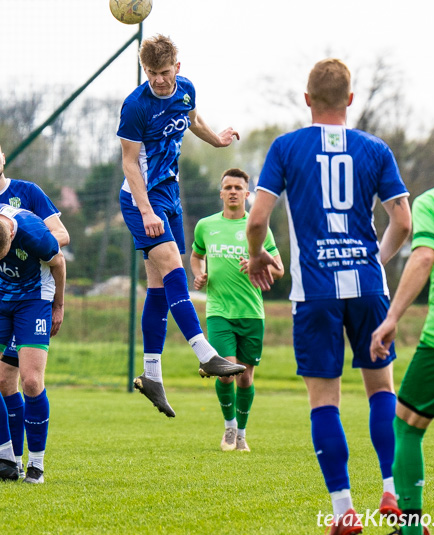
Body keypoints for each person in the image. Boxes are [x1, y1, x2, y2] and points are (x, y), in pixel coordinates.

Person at [245, 58, 412, 534]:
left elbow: (257, 221)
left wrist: (258, 256)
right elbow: (402, 222)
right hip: (367, 287)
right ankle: (391, 492)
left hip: (314, 291)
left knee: (325, 401)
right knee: (381, 390)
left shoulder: (285, 147)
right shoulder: (375, 149)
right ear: (351, 100)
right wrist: (376, 261)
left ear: (306, 100)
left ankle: (344, 512)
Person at [118, 33, 245, 418]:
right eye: (152, 72)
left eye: (165, 72)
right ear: (146, 70)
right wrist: (146, 211)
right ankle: (206, 355)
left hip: (171, 194)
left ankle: (152, 374)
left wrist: (217, 141)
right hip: (143, 199)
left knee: (158, 286)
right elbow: (128, 162)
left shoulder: (186, 89)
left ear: (178, 67)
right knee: (174, 267)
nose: (159, 79)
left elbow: (192, 120)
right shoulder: (135, 106)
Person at [0, 132, 70, 480]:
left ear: (2, 156)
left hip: (32, 297)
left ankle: (28, 462)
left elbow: (59, 239)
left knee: (19, 381)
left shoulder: (29, 194)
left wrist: (33, 238)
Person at [370, 128, 434, 535]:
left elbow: (423, 256)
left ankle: (410, 530)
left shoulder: (433, 203)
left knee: (406, 425)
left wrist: (391, 318)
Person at [190, 168, 283, 452]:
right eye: (227, 186)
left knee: (245, 377)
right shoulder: (206, 226)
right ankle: (229, 429)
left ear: (247, 194)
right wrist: (199, 274)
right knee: (226, 373)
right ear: (221, 193)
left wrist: (260, 263)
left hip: (252, 313)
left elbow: (278, 270)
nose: (232, 191)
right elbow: (196, 256)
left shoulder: (258, 228)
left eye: (237, 187)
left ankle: (242, 433)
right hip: (219, 311)